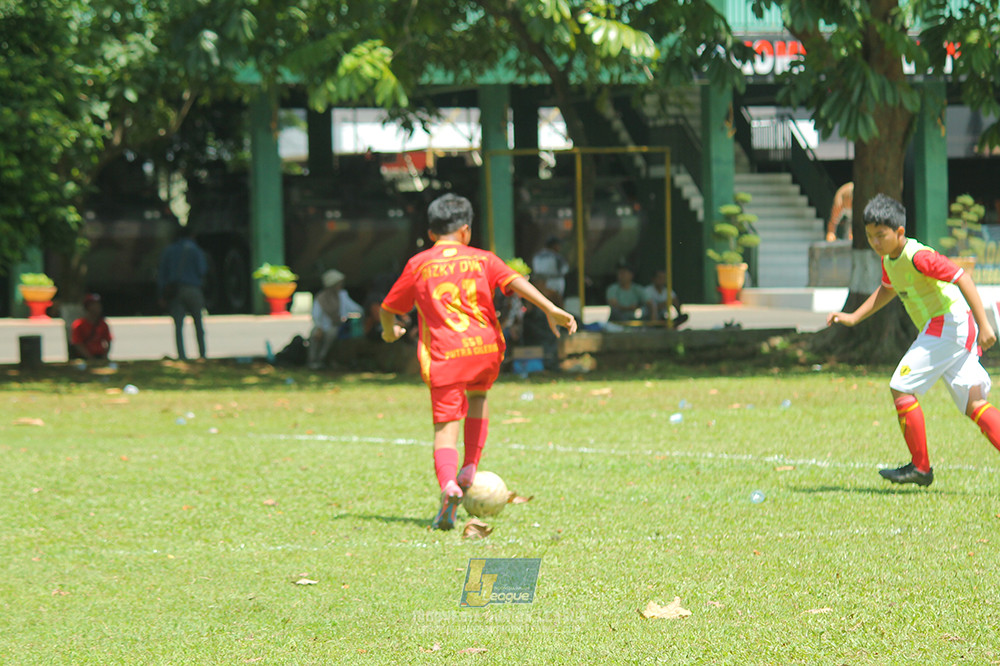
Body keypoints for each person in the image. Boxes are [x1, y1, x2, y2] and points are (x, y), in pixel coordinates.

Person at [380, 194, 577, 530]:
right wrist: (550, 308)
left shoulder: (420, 264)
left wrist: (390, 332)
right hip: (484, 349)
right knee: (479, 397)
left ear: (431, 233)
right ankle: (470, 465)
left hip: (445, 354)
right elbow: (515, 281)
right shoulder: (482, 259)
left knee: (445, 429)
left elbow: (389, 308)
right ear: (466, 231)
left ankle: (449, 486)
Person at [827, 193, 1000, 487]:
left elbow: (963, 278)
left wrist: (985, 325)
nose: (876, 243)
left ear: (899, 232)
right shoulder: (889, 261)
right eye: (870, 237)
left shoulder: (919, 257)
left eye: (881, 236)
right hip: (947, 328)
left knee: (901, 387)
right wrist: (854, 317)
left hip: (947, 324)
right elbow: (886, 290)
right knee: (974, 403)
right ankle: (920, 467)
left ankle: (920, 468)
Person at [158, 225, 208, 360]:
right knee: (198, 323)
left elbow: (162, 274)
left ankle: (182, 355)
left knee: (178, 326)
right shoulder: (196, 250)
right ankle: (202, 354)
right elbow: (202, 270)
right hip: (193, 289)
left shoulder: (169, 250)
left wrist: (162, 294)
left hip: (176, 290)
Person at [308, 269, 362, 369]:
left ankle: (322, 359)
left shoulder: (342, 296)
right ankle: (313, 361)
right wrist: (319, 328)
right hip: (321, 326)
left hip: (336, 326)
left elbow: (356, 308)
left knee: (331, 334)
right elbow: (316, 315)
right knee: (315, 334)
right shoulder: (321, 298)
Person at [70, 293, 112, 360]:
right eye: (93, 304)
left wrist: (104, 356)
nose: (97, 307)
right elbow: (77, 343)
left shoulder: (103, 324)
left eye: (98, 304)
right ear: (87, 307)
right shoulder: (79, 324)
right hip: (84, 358)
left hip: (99, 356)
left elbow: (108, 340)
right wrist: (90, 358)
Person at [531, 236, 570, 306]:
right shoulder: (556, 257)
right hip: (554, 285)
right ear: (554, 245)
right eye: (558, 245)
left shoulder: (537, 256)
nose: (559, 247)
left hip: (540, 285)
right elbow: (565, 270)